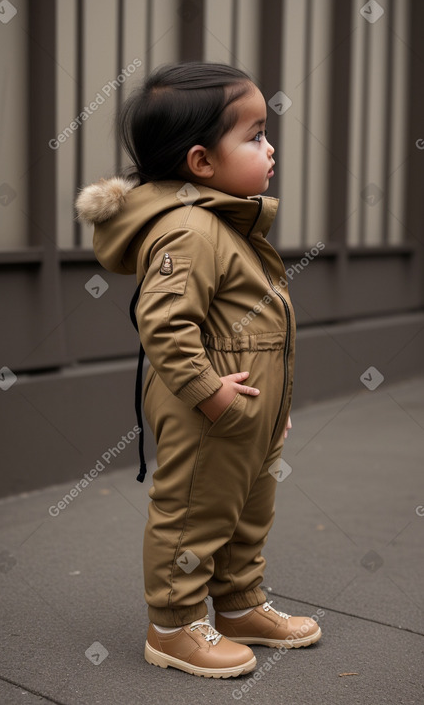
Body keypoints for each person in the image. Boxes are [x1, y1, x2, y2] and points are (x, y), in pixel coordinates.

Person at [76, 61, 322, 679]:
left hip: (246, 408)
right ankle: (175, 626)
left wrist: (272, 407)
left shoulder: (221, 222)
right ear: (201, 162)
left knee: (247, 508)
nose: (270, 148)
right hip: (209, 408)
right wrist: (211, 395)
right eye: (255, 135)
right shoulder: (190, 230)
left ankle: (238, 604)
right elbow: (164, 323)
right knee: (195, 513)